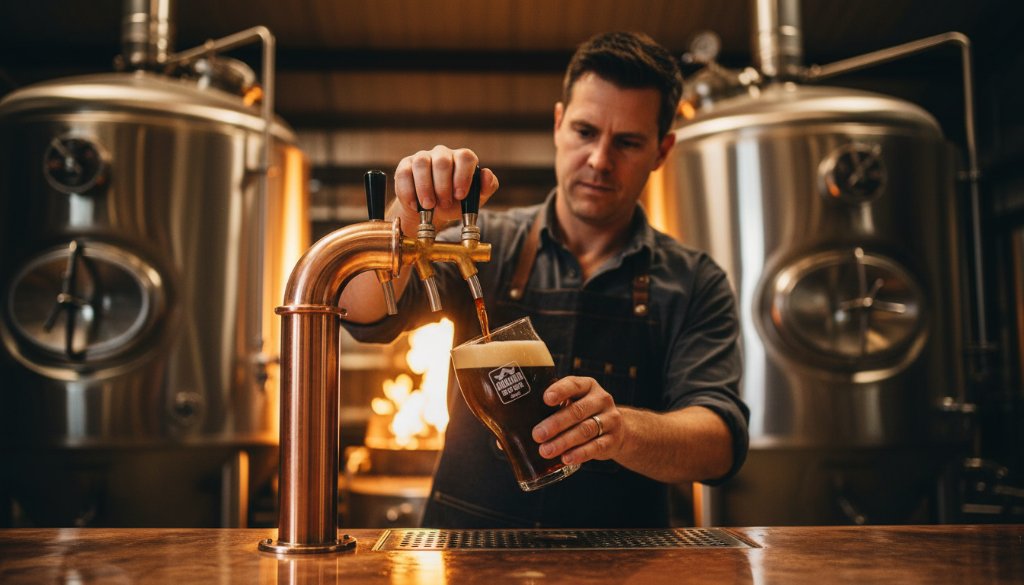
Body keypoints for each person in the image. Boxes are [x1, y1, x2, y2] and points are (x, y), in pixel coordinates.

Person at [340, 31, 749, 528]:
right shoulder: (487, 243)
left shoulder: (695, 281)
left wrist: (621, 431)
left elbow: (719, 444)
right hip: (467, 551)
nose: (599, 160)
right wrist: (408, 214)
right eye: (584, 131)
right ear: (558, 124)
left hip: (623, 556)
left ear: (662, 151)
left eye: (627, 142)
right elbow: (364, 313)